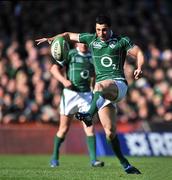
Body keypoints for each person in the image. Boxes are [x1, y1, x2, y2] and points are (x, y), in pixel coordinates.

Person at [36, 14, 144, 174]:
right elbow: (67, 35)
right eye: (98, 30)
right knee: (110, 132)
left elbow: (139, 52)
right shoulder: (91, 39)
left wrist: (139, 67)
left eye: (104, 30)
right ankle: (126, 165)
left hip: (118, 85)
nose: (101, 33)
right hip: (101, 93)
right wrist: (53, 38)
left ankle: (88, 115)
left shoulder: (122, 41)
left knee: (99, 85)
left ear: (110, 28)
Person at [48, 42, 104, 167]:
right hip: (70, 95)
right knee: (63, 129)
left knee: (90, 127)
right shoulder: (70, 54)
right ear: (76, 43)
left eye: (85, 43)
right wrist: (64, 81)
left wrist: (93, 86)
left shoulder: (92, 56)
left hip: (86, 95)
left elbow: (94, 74)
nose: (84, 45)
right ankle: (54, 158)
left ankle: (94, 160)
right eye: (81, 42)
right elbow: (53, 68)